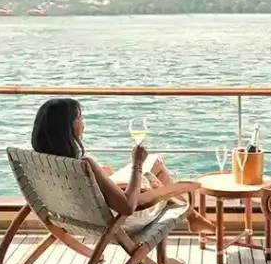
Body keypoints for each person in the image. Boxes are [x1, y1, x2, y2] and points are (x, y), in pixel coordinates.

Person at [30, 98, 216, 245]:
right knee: (158, 175)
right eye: (79, 117)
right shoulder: (85, 164)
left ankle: (194, 219)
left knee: (151, 165)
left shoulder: (41, 162)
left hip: (82, 216)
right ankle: (190, 220)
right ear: (66, 127)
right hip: (122, 220)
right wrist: (136, 164)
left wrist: (105, 179)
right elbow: (128, 207)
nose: (83, 122)